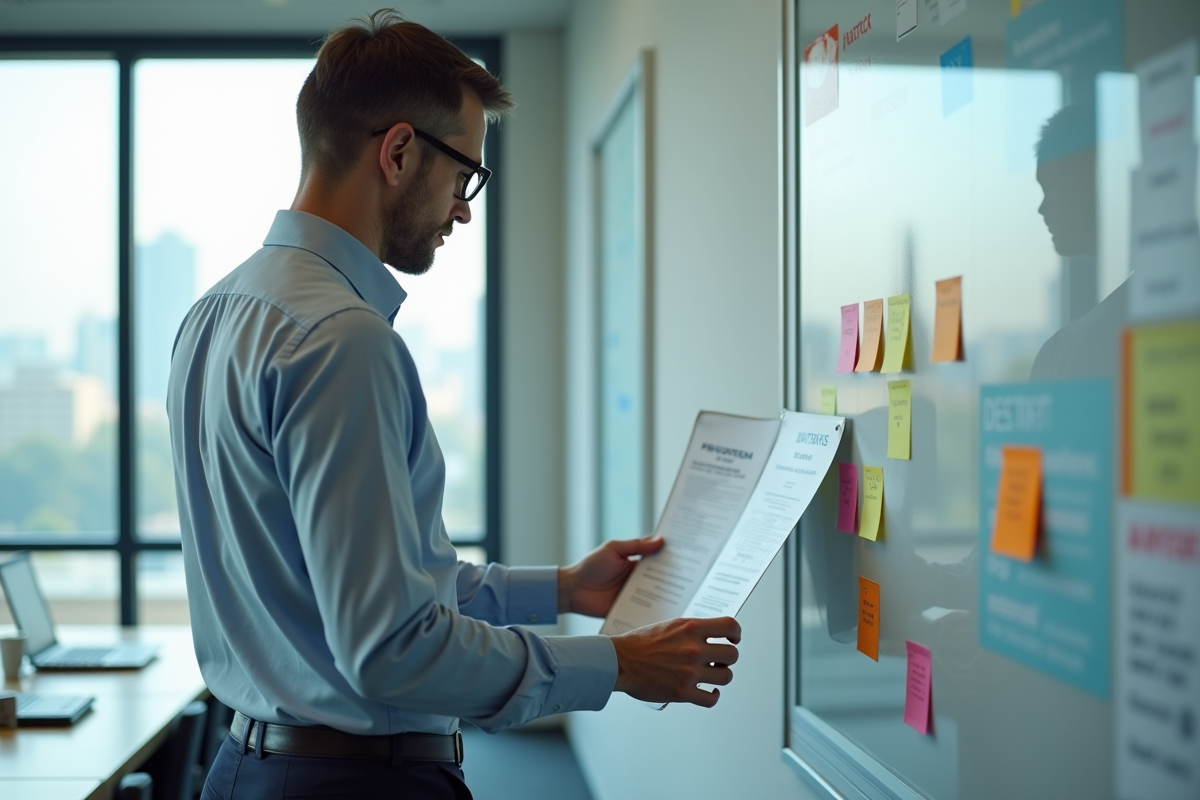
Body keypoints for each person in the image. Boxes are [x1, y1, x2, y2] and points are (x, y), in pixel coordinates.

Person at [166, 12, 740, 800]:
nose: (465, 209)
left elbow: (379, 583)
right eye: (466, 173)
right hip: (354, 786)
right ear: (399, 152)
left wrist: (564, 588)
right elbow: (392, 647)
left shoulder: (216, 314)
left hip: (246, 768)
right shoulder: (343, 341)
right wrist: (618, 664)